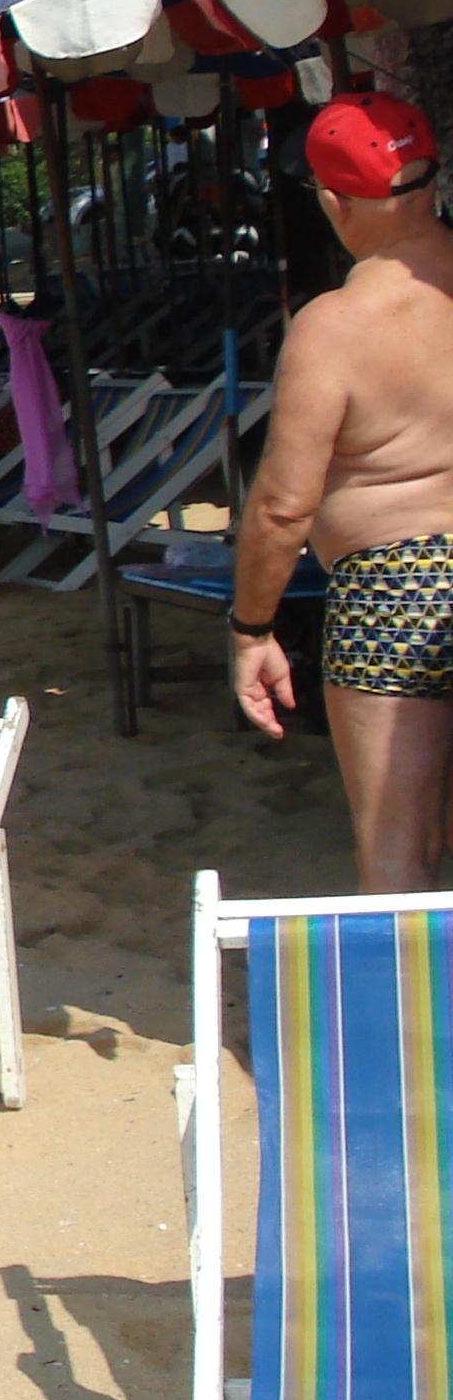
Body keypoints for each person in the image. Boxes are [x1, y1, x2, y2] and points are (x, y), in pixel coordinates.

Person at [232, 94, 453, 892]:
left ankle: (413, 1019)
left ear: (333, 200)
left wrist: (251, 628)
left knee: (399, 854)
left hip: (394, 588)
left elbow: (283, 505)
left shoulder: (336, 325)